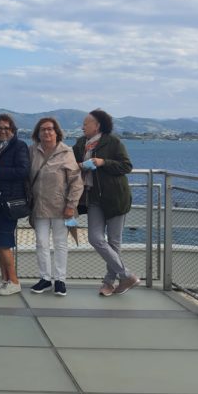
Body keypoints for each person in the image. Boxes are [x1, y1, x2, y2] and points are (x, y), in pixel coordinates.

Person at [73, 109, 137, 296]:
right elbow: (71, 163)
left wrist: (103, 162)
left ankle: (109, 283)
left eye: (86, 123)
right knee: (95, 238)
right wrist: (79, 166)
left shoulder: (113, 142)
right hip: (93, 197)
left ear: (97, 125)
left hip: (115, 198)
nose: (83, 127)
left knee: (114, 242)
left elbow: (126, 166)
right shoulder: (81, 144)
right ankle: (126, 276)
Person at [29, 117, 83, 296]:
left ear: (56, 132)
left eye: (50, 129)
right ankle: (45, 278)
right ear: (38, 133)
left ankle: (60, 280)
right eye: (43, 129)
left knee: (60, 244)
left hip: (61, 207)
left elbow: (76, 182)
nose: (46, 132)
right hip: (39, 206)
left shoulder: (66, 152)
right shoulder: (32, 151)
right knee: (41, 243)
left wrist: (71, 205)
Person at [0, 113, 30, 296]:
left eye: (6, 128)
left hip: (9, 202)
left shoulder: (19, 146)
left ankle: (14, 281)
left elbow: (23, 171)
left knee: (4, 243)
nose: (3, 131)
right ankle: (4, 279)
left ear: (12, 130)